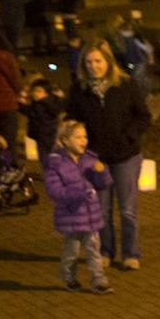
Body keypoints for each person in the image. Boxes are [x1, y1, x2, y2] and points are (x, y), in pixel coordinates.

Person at [65, 41, 152, 271]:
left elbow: (143, 116)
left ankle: (131, 253)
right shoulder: (79, 90)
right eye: (89, 62)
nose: (94, 66)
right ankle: (105, 251)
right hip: (97, 158)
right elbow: (72, 120)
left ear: (108, 61)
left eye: (98, 61)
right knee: (101, 210)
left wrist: (129, 136)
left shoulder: (125, 84)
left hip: (126, 155)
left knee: (127, 210)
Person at [42, 119, 113, 294]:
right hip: (71, 214)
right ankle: (68, 277)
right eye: (78, 137)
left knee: (94, 248)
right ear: (65, 140)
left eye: (85, 136)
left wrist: (101, 172)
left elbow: (103, 184)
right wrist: (79, 193)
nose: (83, 141)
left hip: (91, 215)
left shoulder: (90, 159)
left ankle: (99, 280)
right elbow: (54, 191)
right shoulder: (56, 164)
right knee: (71, 251)